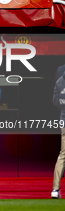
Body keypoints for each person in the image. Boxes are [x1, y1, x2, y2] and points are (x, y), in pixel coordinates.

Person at [52, 66, 65, 199]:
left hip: (64, 121)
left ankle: (55, 189)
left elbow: (55, 102)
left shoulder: (60, 79)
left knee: (63, 155)